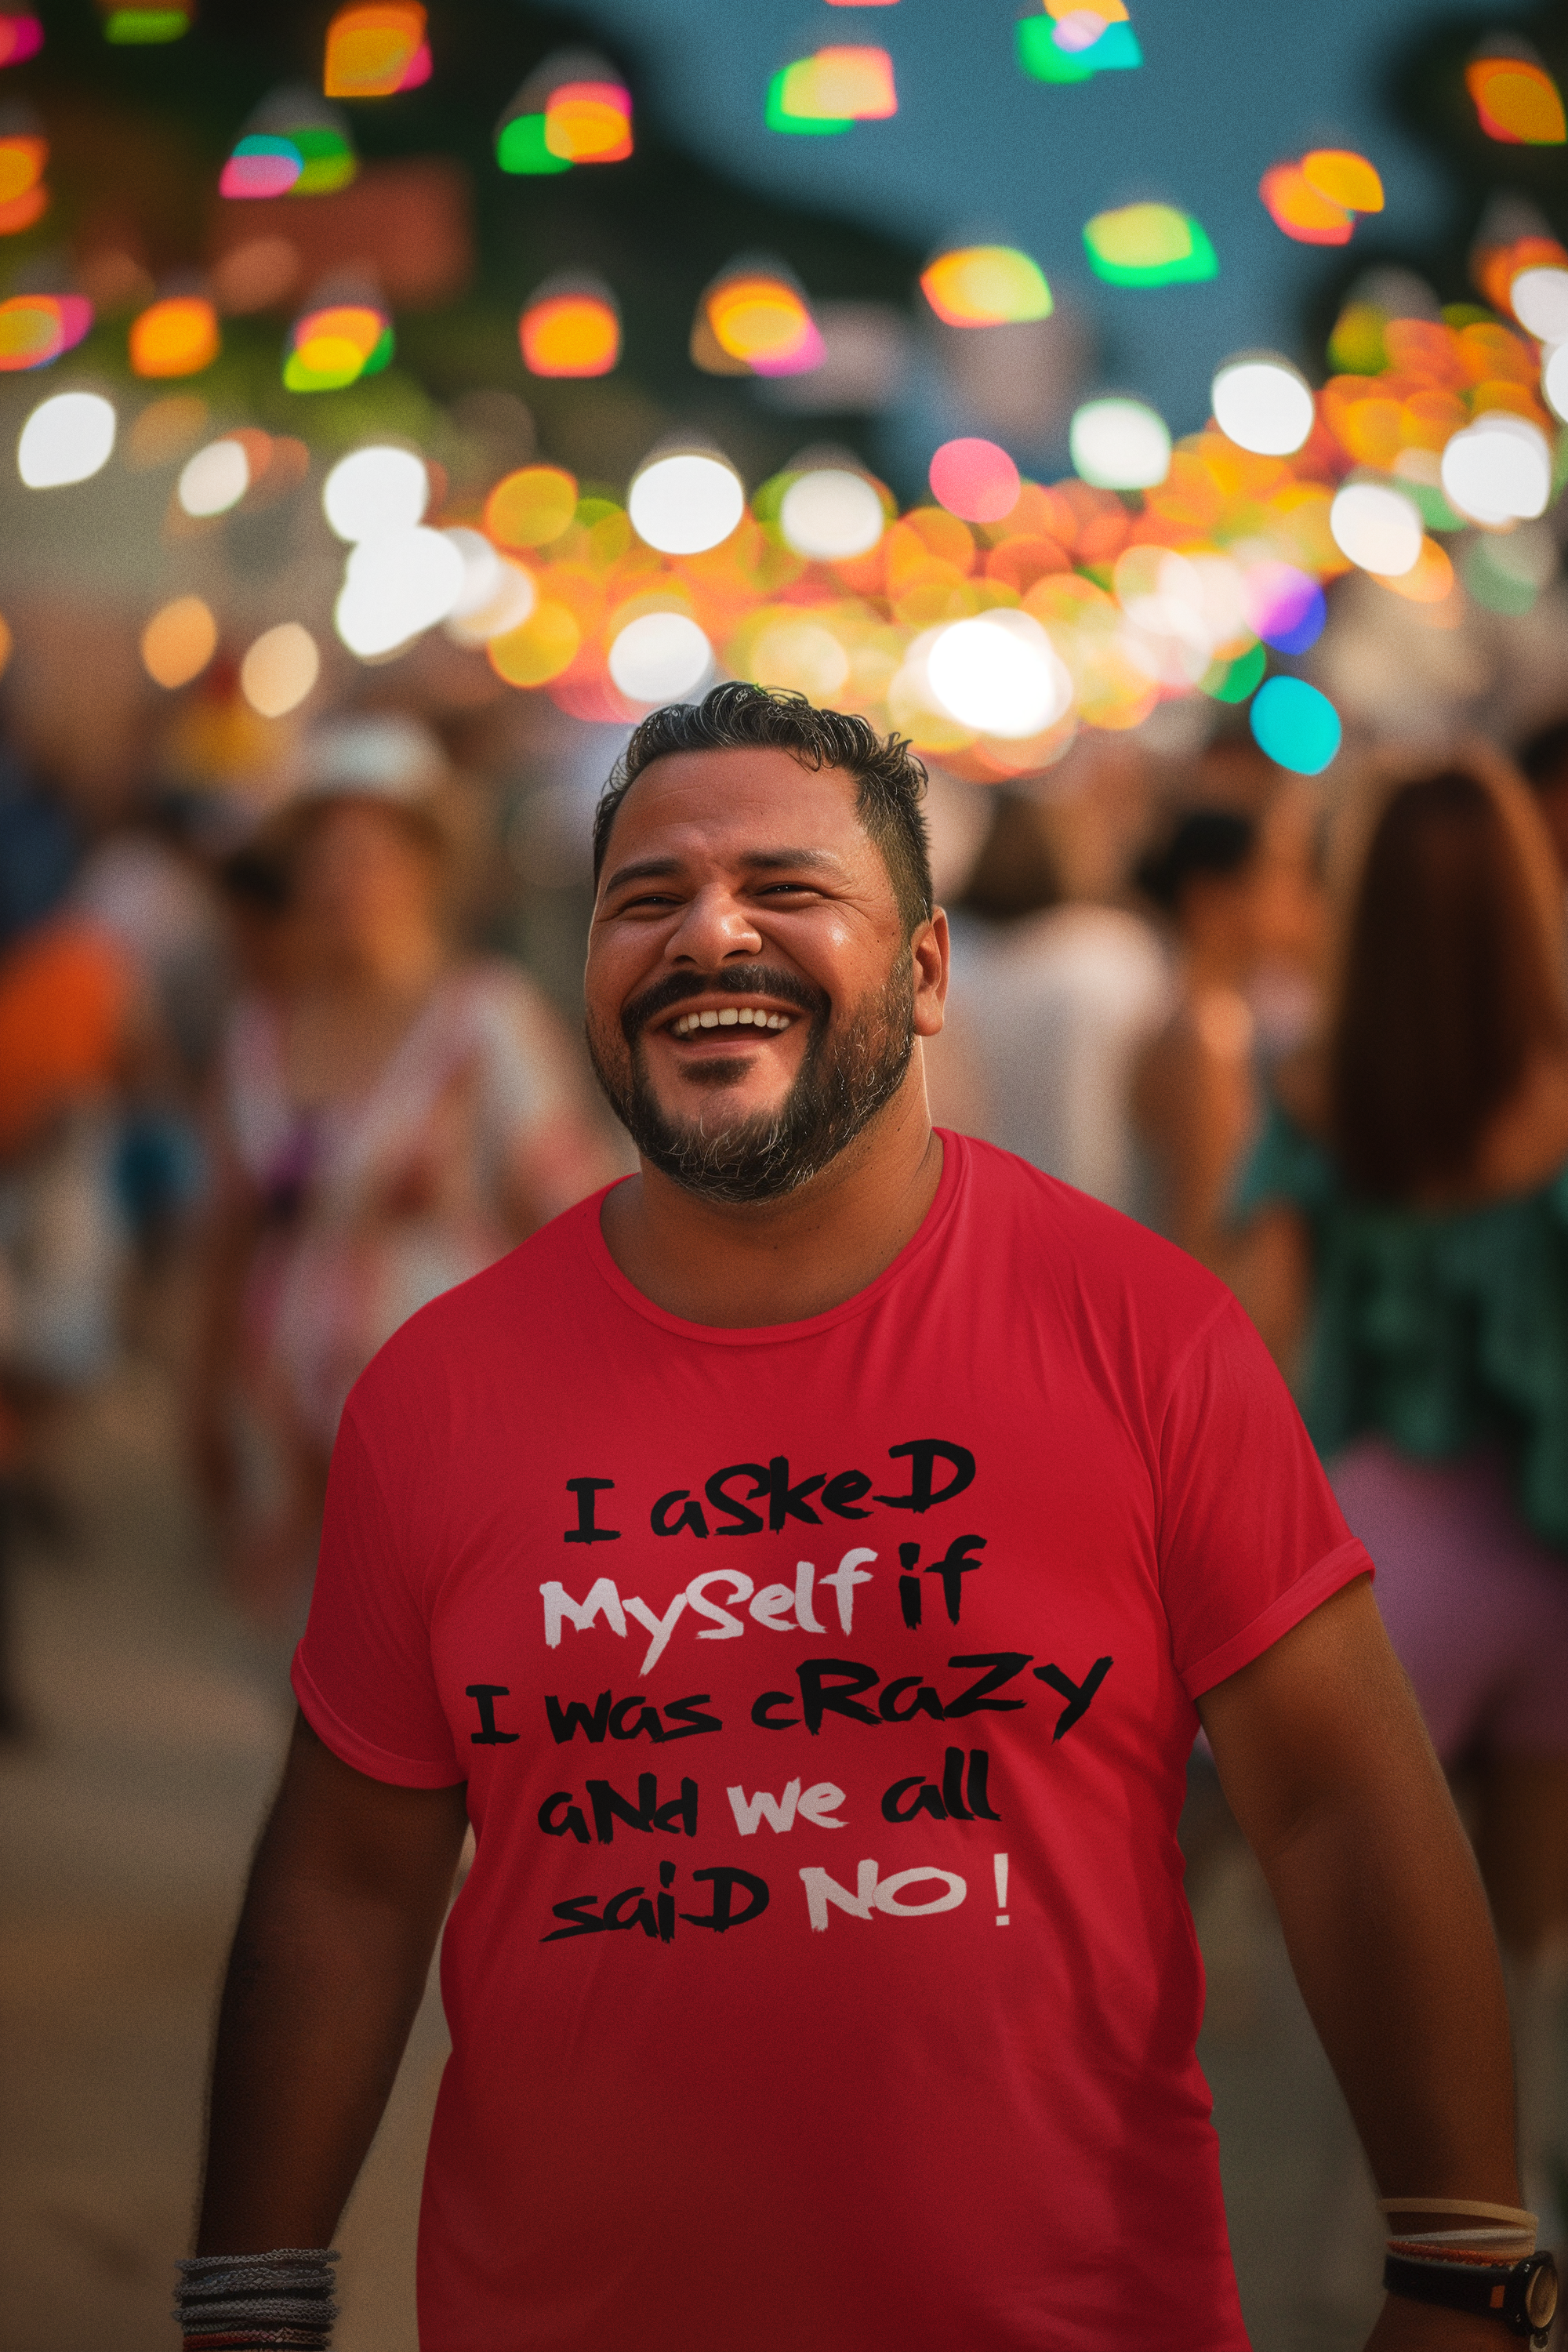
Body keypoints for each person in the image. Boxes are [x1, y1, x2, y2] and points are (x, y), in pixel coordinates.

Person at [186, 686, 1553, 2352]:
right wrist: (249, 2298)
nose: (709, 933)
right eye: (646, 898)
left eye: (786, 889)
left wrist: (1468, 2264)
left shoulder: (1143, 1340)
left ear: (921, 972)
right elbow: (343, 1881)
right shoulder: (437, 1396)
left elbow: (1343, 1805)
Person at [1235, 749, 1568, 2253]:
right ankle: (1527, 2214)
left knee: (1395, 1967)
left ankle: (1408, 2243)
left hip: (1378, 1573)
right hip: (1553, 1560)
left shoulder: (1308, 1081)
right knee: (1527, 1951)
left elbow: (1243, 1329)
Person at [193, 760, 614, 1626]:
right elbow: (227, 1232)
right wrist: (199, 1396)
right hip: (286, 1423)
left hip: (453, 1426)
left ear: (424, 867)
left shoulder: (484, 1018)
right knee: (309, 1678)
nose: (338, 881)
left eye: (364, 856)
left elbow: (572, 1211)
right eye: (320, 857)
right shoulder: (261, 1029)